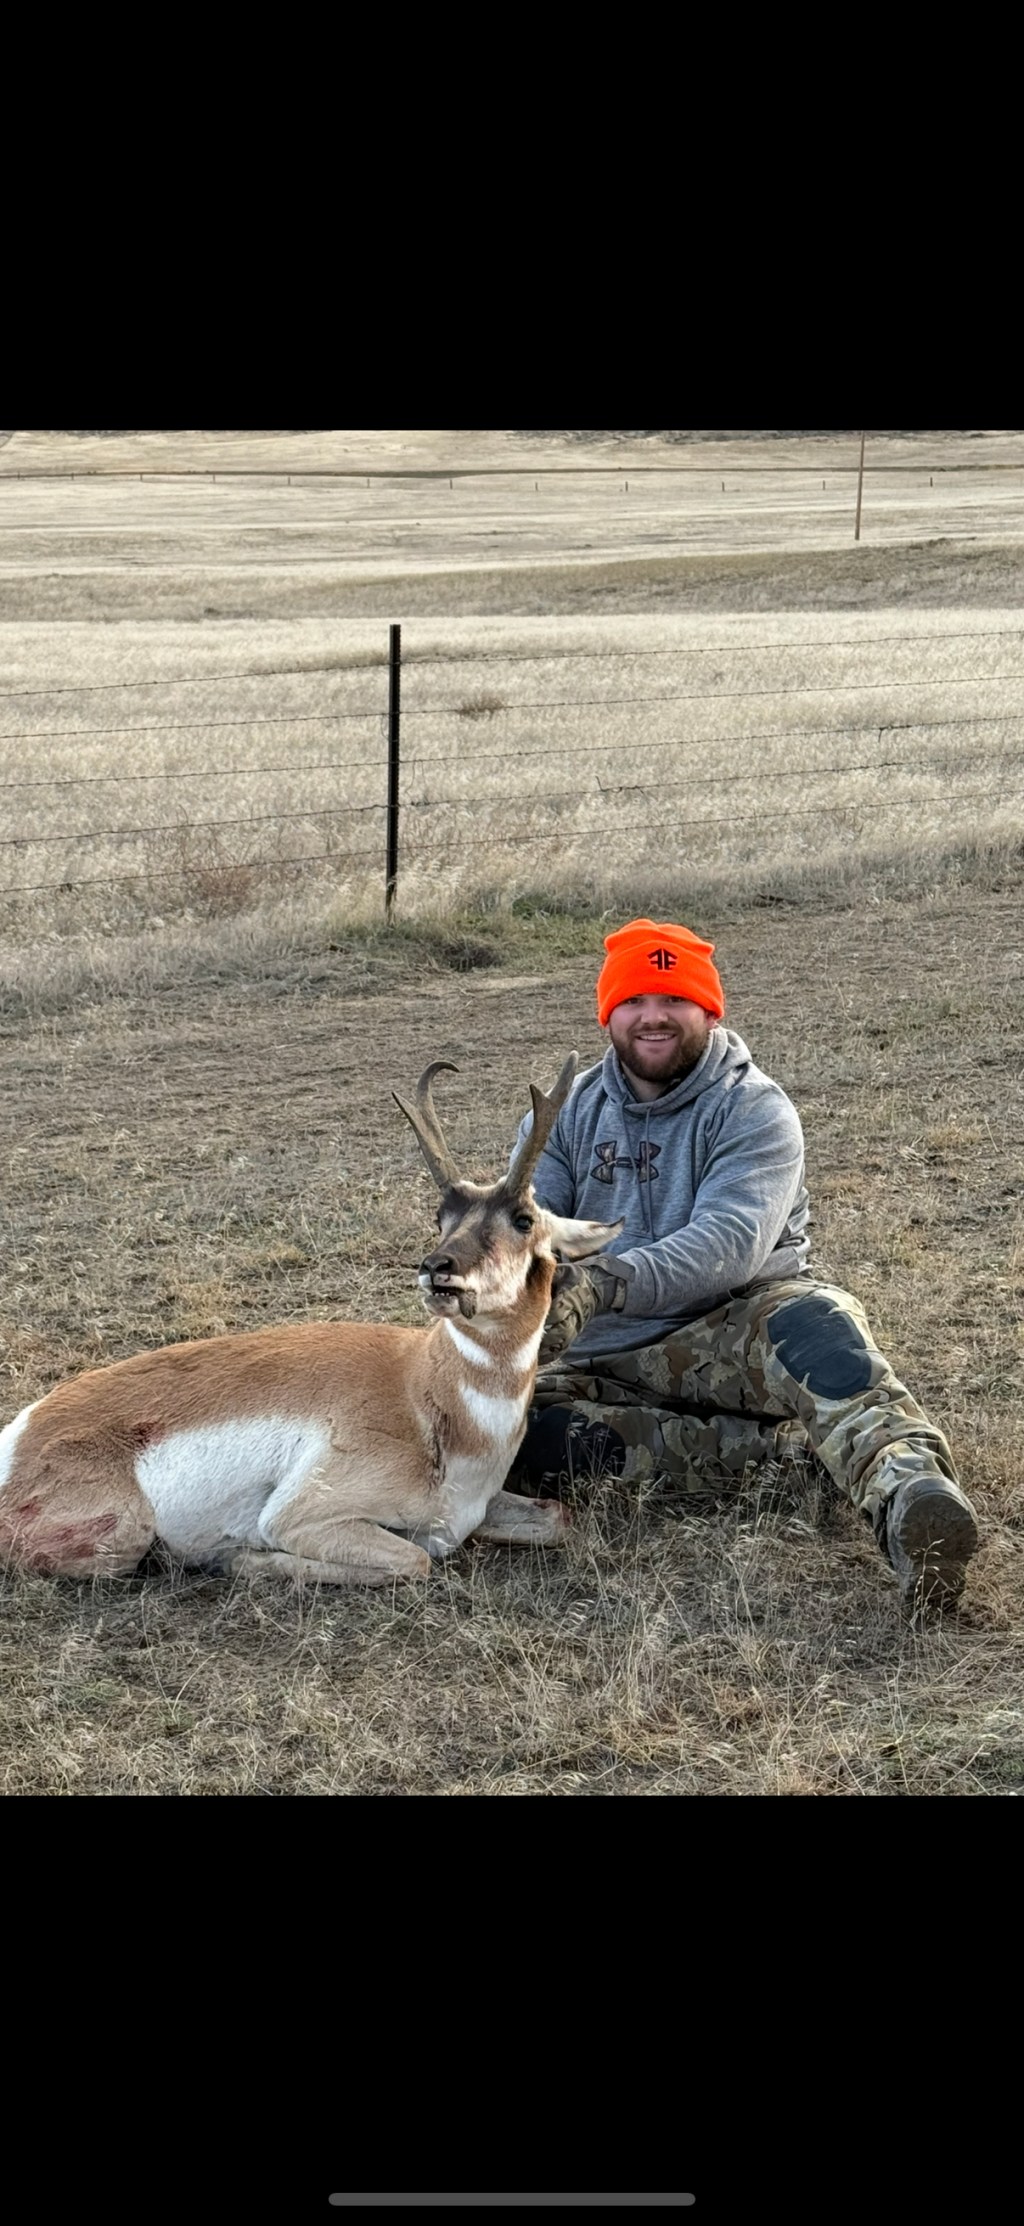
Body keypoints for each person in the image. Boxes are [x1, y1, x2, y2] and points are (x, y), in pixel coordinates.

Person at [510, 916, 979, 1618]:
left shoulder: (753, 1108)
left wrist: (602, 1284)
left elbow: (728, 1243)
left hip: (735, 1325)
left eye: (672, 998)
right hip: (602, 1358)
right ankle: (797, 1466)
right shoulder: (569, 1112)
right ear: (609, 1012)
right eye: (634, 1000)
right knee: (517, 1437)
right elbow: (527, 1228)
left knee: (821, 1332)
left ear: (707, 1008)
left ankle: (910, 1497)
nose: (653, 1017)